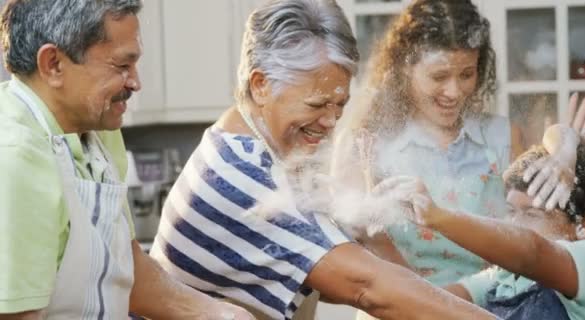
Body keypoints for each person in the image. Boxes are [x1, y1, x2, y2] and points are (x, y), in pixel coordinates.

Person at [149, 0, 498, 319]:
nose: (332, 122)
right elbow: (366, 286)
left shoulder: (273, 154)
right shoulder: (242, 174)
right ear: (260, 85)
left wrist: (367, 233)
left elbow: (326, 277)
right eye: (317, 104)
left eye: (340, 105)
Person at [0, 1, 253, 319]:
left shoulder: (98, 127)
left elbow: (124, 267)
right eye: (121, 66)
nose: (135, 83)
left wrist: (214, 313)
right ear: (53, 64)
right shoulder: (14, 159)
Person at [331, 0, 585, 290]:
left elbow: (536, 234)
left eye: (466, 74)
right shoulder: (364, 144)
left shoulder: (502, 136)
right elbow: (360, 256)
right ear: (405, 68)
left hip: (492, 306)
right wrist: (434, 306)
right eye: (439, 76)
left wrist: (571, 158)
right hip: (400, 306)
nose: (454, 91)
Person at [404, 124, 585, 319]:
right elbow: (429, 302)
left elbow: (532, 252)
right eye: (511, 211)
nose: (514, 224)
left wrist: (439, 217)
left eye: (531, 214)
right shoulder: (504, 277)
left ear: (583, 226)